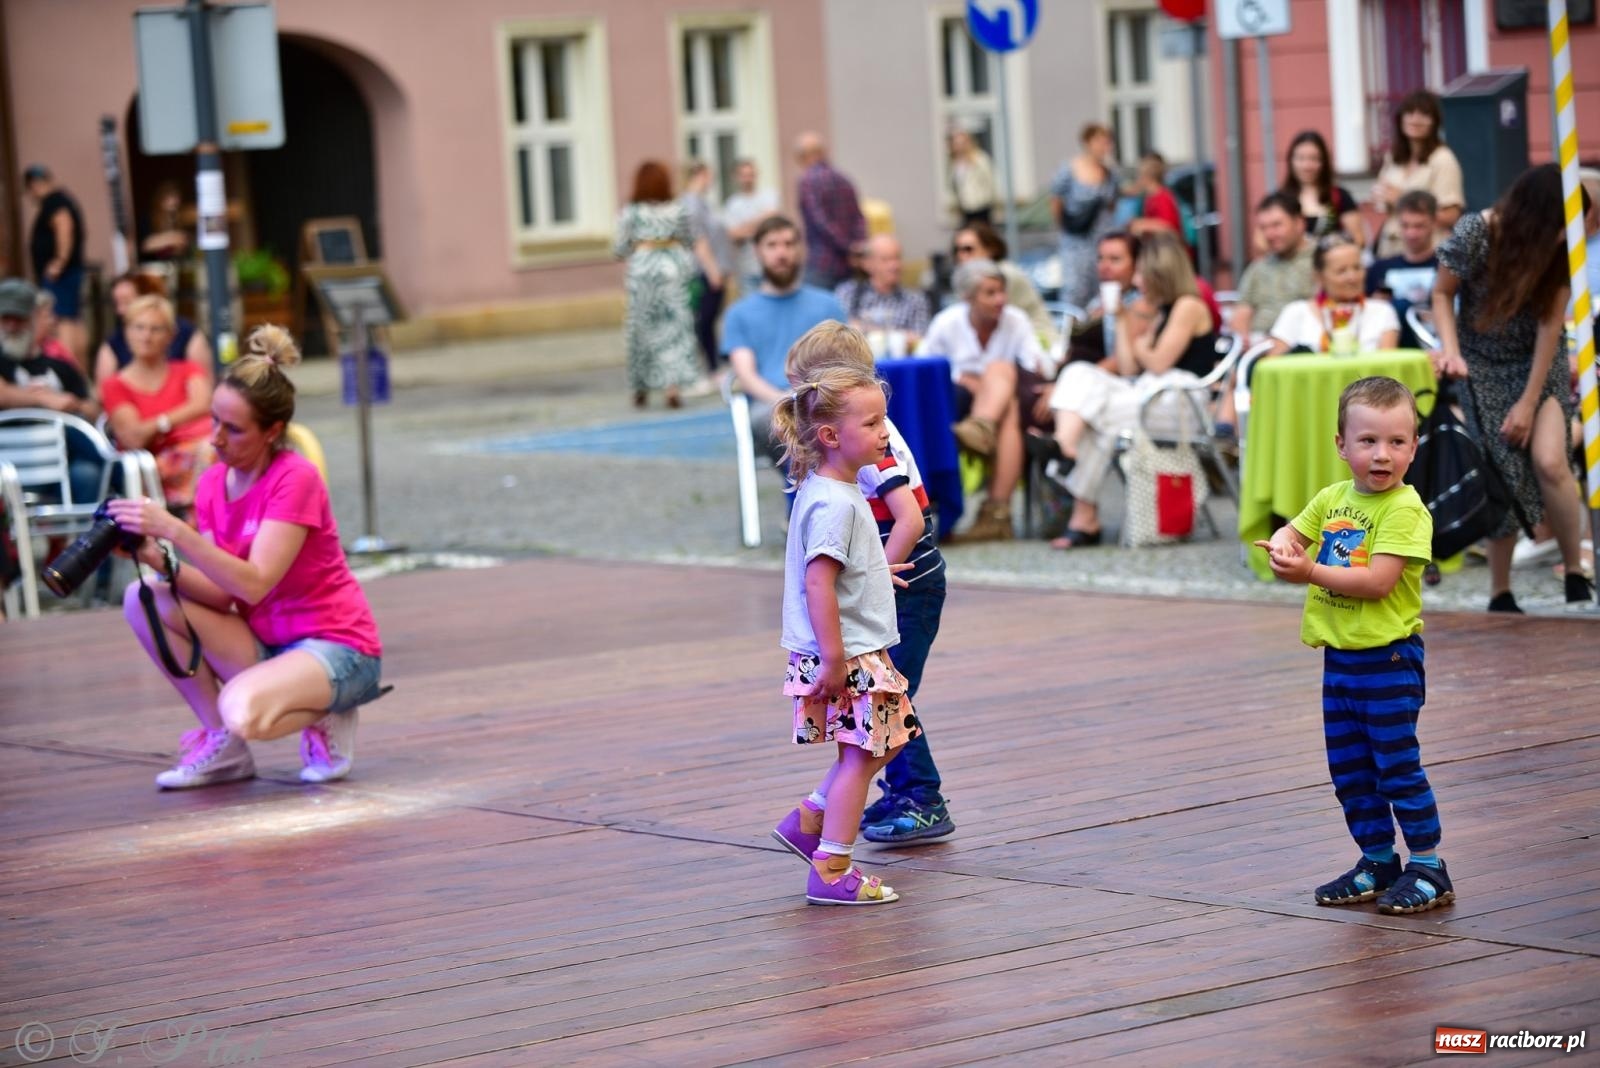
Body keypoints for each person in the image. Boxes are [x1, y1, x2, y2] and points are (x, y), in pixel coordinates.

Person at [104, 326, 382, 790]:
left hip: (338, 647)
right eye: (214, 420)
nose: (215, 438)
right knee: (143, 598)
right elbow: (221, 591)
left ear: (273, 431)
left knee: (241, 709)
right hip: (267, 644)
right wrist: (156, 557)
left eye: (233, 429)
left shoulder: (296, 478)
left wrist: (173, 530)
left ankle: (330, 713)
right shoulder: (214, 480)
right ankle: (224, 748)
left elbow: (254, 583)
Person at [1256, 375, 1453, 916]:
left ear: (1414, 447)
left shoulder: (1406, 511)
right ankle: (1376, 859)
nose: (1382, 454)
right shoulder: (1332, 498)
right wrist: (1282, 544)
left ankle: (1430, 866)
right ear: (1341, 445)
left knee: (1396, 765)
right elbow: (1293, 532)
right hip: (1340, 661)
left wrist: (1309, 571)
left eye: (1396, 442)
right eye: (1368, 441)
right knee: (1351, 769)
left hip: (1389, 661)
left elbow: (1377, 582)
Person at [782, 323, 952, 846]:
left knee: (888, 700)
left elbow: (910, 518)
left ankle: (919, 797)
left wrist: (879, 572)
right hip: (879, 585)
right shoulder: (841, 456)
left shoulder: (873, 443)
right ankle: (843, 807)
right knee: (879, 706)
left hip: (907, 584)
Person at [767, 361, 921, 905]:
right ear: (831, 436)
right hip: (848, 655)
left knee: (884, 743)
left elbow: (837, 572)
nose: (885, 432)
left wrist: (875, 570)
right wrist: (834, 659)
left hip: (853, 650)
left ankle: (810, 819)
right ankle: (832, 867)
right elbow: (818, 583)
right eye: (874, 423)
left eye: (883, 420)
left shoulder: (832, 488)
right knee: (862, 756)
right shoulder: (835, 502)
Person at [1432, 163, 1595, 611]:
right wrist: (1451, 351)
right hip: (1479, 363)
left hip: (1536, 362)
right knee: (1498, 470)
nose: (1568, 236)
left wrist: (1528, 401)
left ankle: (1575, 572)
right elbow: (1442, 293)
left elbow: (1549, 326)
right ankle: (1500, 590)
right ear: (1539, 217)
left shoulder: (1562, 251)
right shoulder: (1476, 233)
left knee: (1549, 461)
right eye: (1564, 226)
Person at [1047, 232, 1217, 549]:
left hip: (1181, 403)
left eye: (1140, 272)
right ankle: (1066, 448)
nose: (1136, 281)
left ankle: (1080, 508)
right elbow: (1128, 368)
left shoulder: (1188, 306)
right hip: (1154, 396)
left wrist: (1142, 345)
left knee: (1097, 416)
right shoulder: (1163, 310)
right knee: (1078, 373)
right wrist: (1123, 321)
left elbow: (1158, 362)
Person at [921, 259, 1048, 542]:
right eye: (990, 293)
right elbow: (925, 367)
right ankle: (997, 514)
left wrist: (995, 380)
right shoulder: (947, 322)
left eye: (1002, 291)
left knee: (1001, 370)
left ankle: (981, 429)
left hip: (1013, 402)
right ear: (968, 297)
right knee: (1007, 405)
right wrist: (962, 379)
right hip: (957, 406)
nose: (1000, 299)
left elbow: (1039, 365)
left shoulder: (1016, 320)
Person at [722, 215, 847, 461]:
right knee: (777, 421)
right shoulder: (739, 314)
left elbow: (846, 361)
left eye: (789, 244)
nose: (782, 253)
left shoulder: (828, 305)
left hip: (825, 399)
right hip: (771, 404)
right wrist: (788, 402)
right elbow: (746, 376)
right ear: (758, 251)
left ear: (800, 250)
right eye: (773, 245)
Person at [98, 295, 214, 511]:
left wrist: (157, 425)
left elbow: (205, 404)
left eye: (156, 329)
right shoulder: (115, 385)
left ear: (171, 335)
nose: (146, 336)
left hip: (203, 453)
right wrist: (176, 419)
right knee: (213, 453)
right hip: (154, 467)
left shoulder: (188, 369)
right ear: (126, 331)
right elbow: (133, 437)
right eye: (139, 327)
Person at [613, 160, 702, 409]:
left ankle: (640, 386)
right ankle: (672, 388)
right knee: (675, 331)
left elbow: (619, 248)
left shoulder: (631, 212)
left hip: (643, 272)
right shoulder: (678, 209)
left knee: (640, 330)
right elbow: (690, 239)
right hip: (673, 271)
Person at [1268, 234, 1400, 355]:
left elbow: (1387, 371)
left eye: (1357, 268)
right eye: (1341, 271)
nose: (1352, 277)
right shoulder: (1296, 312)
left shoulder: (1382, 311)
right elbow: (1273, 368)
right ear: (1319, 277)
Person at [1371, 91, 1465, 261]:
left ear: (1434, 122)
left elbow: (1452, 215)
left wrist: (1402, 199)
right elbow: (1384, 199)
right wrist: (1381, 197)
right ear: (1400, 118)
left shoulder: (1443, 159)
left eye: (1424, 114)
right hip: (1391, 248)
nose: (1415, 119)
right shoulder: (1393, 157)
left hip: (1429, 251)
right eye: (1410, 113)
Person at [94, 271, 214, 387]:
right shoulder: (113, 344)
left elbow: (206, 385)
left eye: (126, 302)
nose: (120, 310)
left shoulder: (188, 335)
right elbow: (105, 394)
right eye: (117, 303)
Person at [1049, 123, 1120, 309]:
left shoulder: (1109, 173)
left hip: (1101, 239)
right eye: (1100, 141)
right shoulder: (1069, 169)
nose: (1105, 147)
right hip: (1076, 240)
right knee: (1075, 290)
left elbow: (1112, 204)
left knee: (1102, 290)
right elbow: (1056, 200)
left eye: (1107, 142)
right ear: (1087, 143)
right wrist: (1065, 227)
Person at [22, 164, 87, 365]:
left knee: (63, 322)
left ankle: (70, 369)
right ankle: (77, 371)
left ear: (34, 185)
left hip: (61, 276)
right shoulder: (60, 200)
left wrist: (59, 261)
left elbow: (64, 226)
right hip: (65, 274)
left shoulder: (55, 203)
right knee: (71, 320)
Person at [952, 221, 1056, 345]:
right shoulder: (968, 277)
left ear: (990, 249)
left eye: (968, 249)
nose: (961, 255)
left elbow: (996, 320)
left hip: (1036, 340)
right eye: (957, 250)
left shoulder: (1001, 275)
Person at [1230, 192, 1316, 340]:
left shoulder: (1322, 261)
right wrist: (1243, 340)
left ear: (1299, 223)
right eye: (1263, 228)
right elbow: (1241, 315)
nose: (1269, 234)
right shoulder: (1258, 268)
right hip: (1258, 347)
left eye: (1276, 225)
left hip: (1302, 346)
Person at [1365, 190, 1440, 350]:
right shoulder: (1379, 268)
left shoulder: (1447, 267)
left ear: (1434, 223)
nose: (1411, 233)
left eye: (1419, 226)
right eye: (1405, 225)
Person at [795, 132, 867, 292]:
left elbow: (820, 222)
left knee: (816, 314)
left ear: (803, 157)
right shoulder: (844, 178)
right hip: (848, 265)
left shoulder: (807, 180)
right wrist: (856, 248)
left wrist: (846, 246)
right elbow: (859, 218)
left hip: (821, 263)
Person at [680, 161, 733, 379]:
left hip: (714, 269)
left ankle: (713, 364)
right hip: (703, 272)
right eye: (710, 175)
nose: (712, 180)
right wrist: (713, 271)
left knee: (710, 319)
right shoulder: (691, 204)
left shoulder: (702, 203)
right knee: (705, 320)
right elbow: (699, 241)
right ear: (700, 174)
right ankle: (711, 367)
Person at [834, 234, 930, 353]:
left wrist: (865, 330)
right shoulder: (848, 293)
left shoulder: (915, 300)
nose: (894, 265)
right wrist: (899, 336)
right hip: (857, 366)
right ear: (867, 264)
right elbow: (839, 336)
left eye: (897, 258)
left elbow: (920, 341)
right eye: (886, 259)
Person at [1280, 131, 1365, 246]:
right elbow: (1262, 240)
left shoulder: (1339, 196)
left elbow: (1358, 240)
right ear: (1291, 161)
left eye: (1314, 159)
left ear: (1324, 162)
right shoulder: (1281, 199)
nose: (1307, 166)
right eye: (1300, 158)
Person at [722, 158, 780, 297]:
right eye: (744, 175)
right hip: (746, 268)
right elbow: (733, 234)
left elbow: (774, 223)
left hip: (770, 267)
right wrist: (761, 220)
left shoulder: (770, 196)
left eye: (751, 175)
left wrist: (745, 227)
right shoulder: (732, 204)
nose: (748, 179)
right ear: (737, 177)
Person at [1128, 152, 1186, 248]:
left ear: (1147, 177)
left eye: (1139, 175)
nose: (1138, 180)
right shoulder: (1149, 198)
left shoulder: (1162, 197)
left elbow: (1169, 226)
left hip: (1169, 251)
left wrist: (1143, 224)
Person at [945, 127, 996, 226]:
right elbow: (953, 186)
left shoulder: (980, 159)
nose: (959, 147)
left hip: (981, 208)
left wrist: (989, 201)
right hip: (965, 209)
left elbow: (990, 182)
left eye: (962, 143)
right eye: (956, 144)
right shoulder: (954, 163)